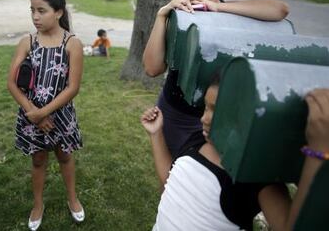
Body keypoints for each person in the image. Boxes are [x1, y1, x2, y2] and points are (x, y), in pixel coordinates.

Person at [143, 0, 289, 157]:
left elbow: (280, 9)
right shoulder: (179, 17)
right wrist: (161, 15)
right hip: (175, 112)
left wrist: (217, 8)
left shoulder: (232, 13)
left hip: (218, 118)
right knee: (170, 178)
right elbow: (152, 68)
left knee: (211, 180)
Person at [141, 77, 329, 230]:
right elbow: (171, 181)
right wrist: (156, 134)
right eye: (206, 107)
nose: (203, 118)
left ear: (244, 116)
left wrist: (319, 151)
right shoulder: (198, 139)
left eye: (216, 110)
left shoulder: (254, 173)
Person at [7, 0, 84, 231]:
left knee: (64, 155)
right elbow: (11, 83)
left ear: (59, 12)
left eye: (42, 11)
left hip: (61, 116)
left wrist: (45, 112)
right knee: (38, 159)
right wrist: (35, 114)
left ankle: (72, 198)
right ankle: (38, 204)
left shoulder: (72, 44)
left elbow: (73, 87)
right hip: (31, 116)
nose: (35, 17)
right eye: (32, 11)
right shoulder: (27, 42)